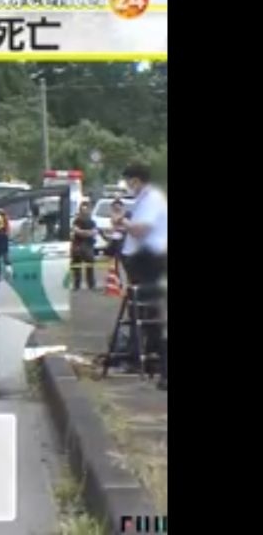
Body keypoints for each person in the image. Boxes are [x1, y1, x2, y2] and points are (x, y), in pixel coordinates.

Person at [118, 162, 168, 390]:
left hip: (151, 261)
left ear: (136, 180)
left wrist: (123, 222)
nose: (128, 186)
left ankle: (149, 358)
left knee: (149, 311)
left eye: (129, 181)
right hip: (142, 260)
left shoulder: (152, 199)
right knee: (141, 311)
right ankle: (142, 355)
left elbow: (141, 230)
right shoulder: (143, 199)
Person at [71, 201, 99, 291]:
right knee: (77, 267)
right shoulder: (77, 221)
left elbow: (94, 232)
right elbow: (76, 231)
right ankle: (76, 285)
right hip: (78, 246)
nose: (85, 212)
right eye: (83, 209)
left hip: (89, 246)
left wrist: (84, 233)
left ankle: (91, 284)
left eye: (86, 209)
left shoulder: (92, 222)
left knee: (90, 266)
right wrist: (87, 233)